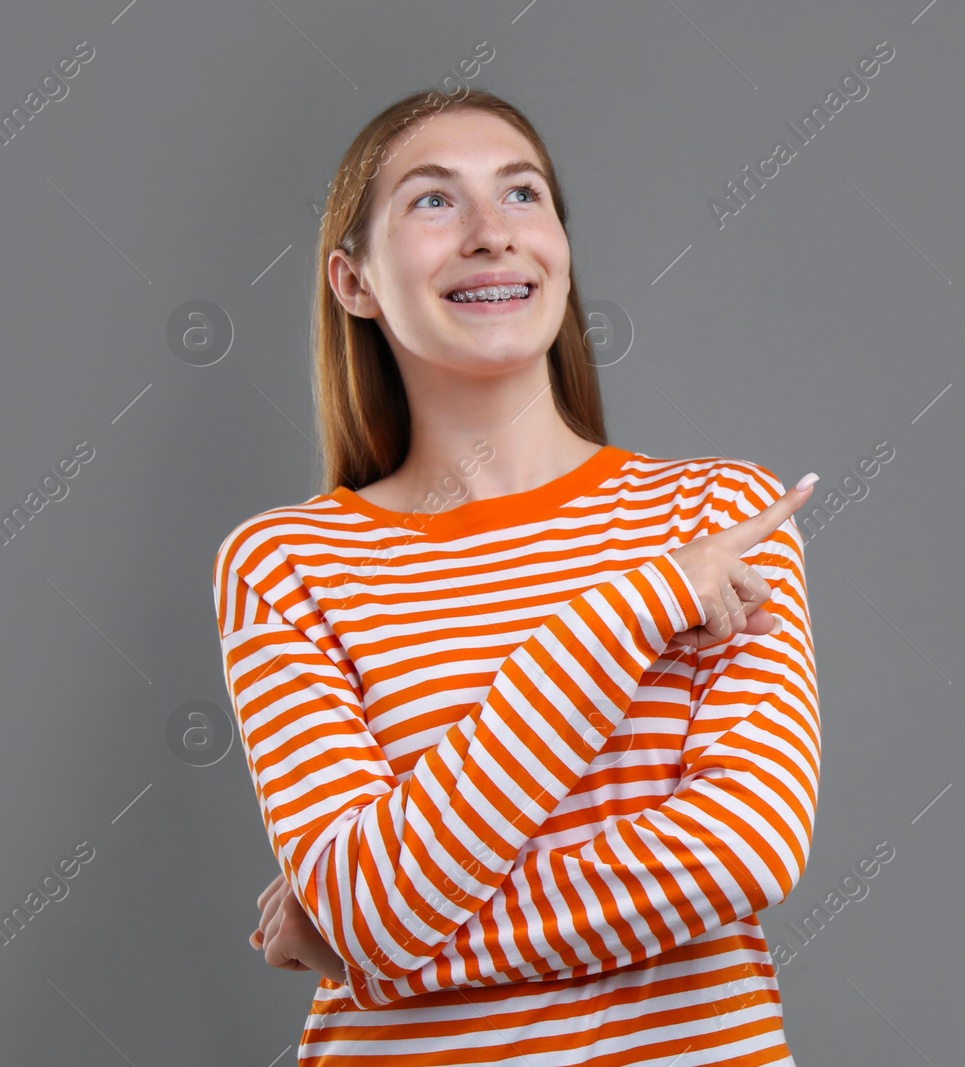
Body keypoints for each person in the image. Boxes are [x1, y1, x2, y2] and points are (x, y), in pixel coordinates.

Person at [213, 86, 820, 1066]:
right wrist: (640, 603)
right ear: (353, 280)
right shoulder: (285, 562)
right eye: (433, 200)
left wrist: (374, 944)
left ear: (561, 252)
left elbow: (738, 848)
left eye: (523, 193)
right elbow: (369, 910)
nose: (492, 232)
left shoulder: (719, 514)